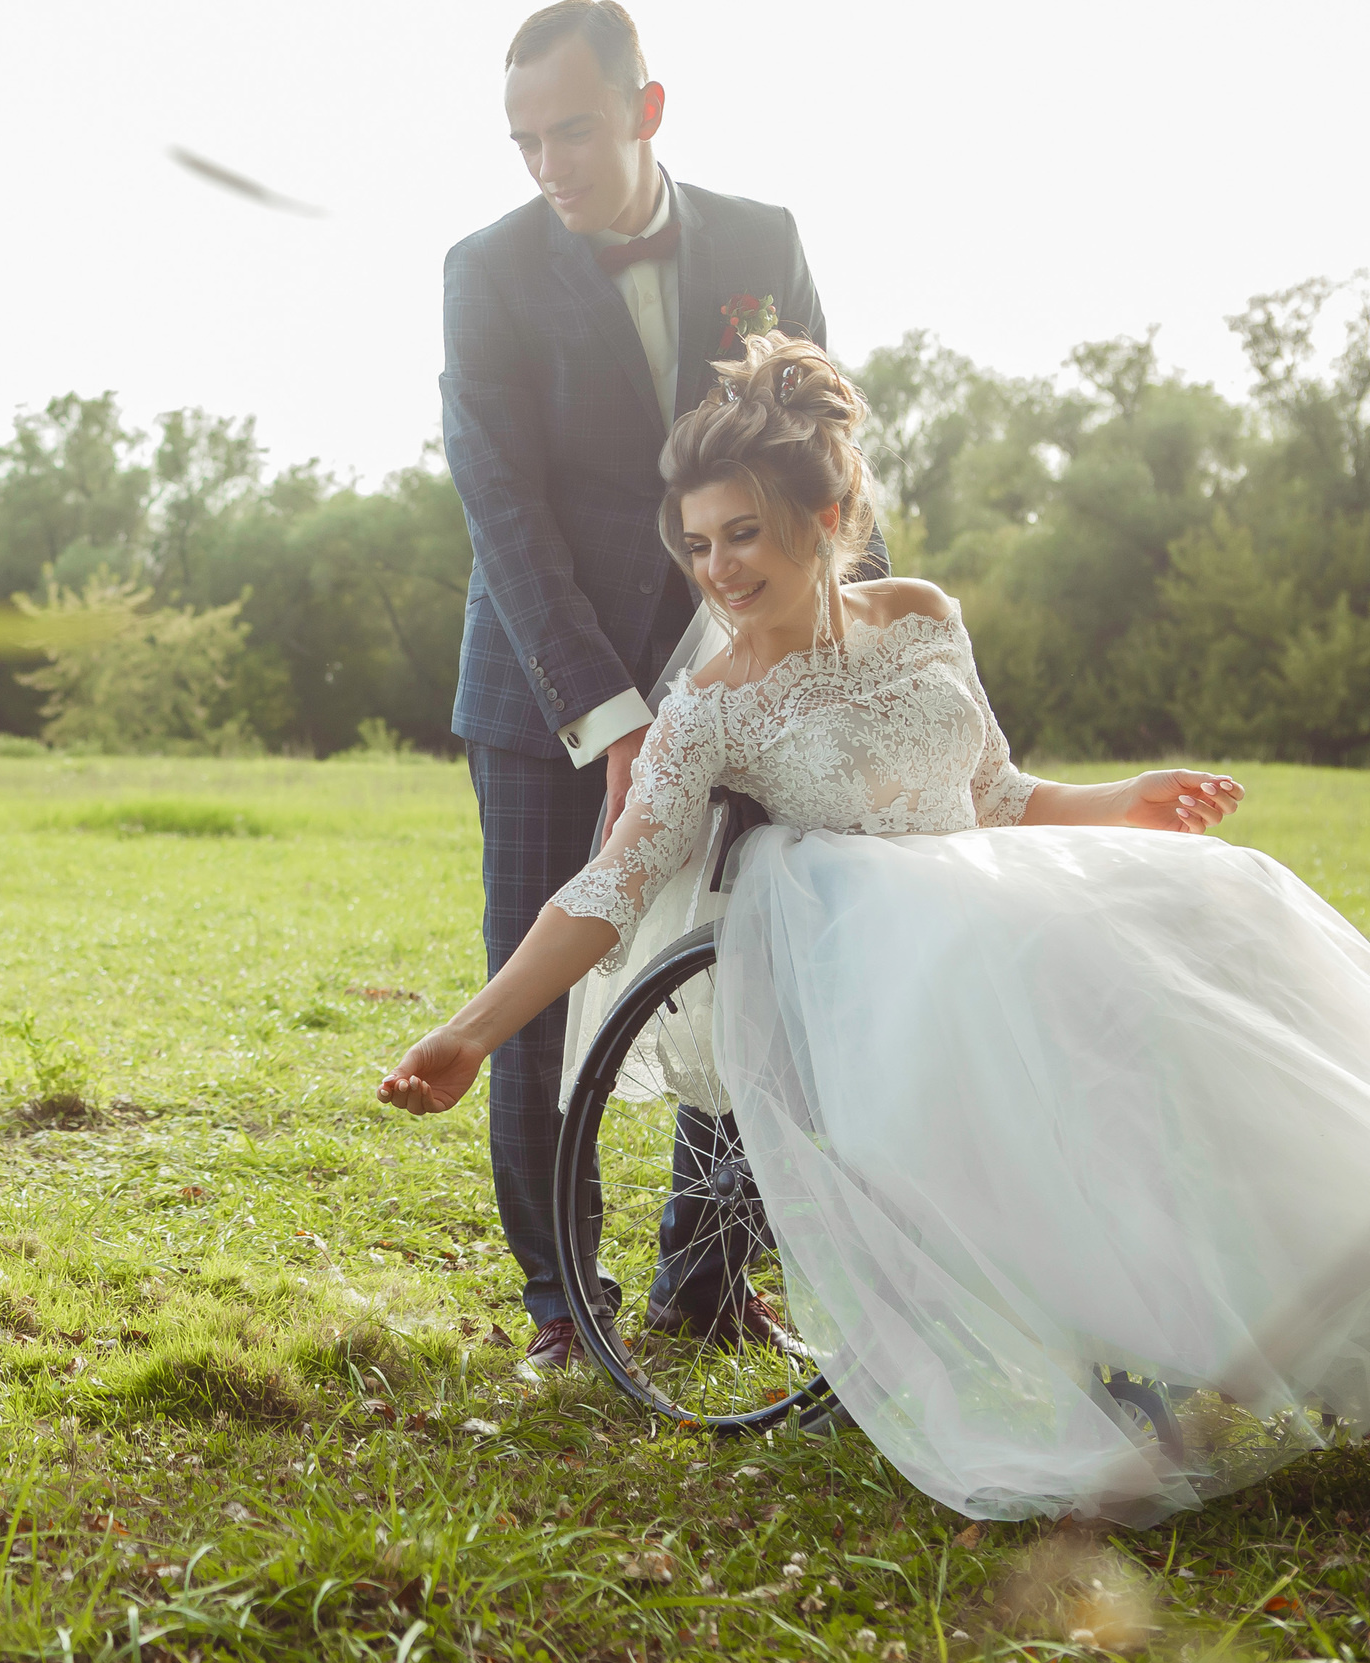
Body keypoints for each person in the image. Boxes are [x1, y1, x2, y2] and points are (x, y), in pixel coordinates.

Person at [382, 331, 1370, 1525]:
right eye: (697, 544)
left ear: (826, 515)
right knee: (1037, 977)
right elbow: (610, 888)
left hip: (997, 896)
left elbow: (997, 795)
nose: (717, 569)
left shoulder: (922, 615)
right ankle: (1136, 1336)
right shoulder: (706, 711)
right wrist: (470, 1033)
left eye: (742, 534)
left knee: (1221, 902)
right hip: (873, 955)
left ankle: (1290, 1295)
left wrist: (1128, 800)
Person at [443, 0, 880, 1372]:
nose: (548, 165)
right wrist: (611, 714)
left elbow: (822, 451)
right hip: (547, 689)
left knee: (746, 956)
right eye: (522, 141)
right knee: (539, 980)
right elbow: (500, 506)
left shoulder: (762, 240)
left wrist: (848, 647)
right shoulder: (485, 270)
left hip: (749, 662)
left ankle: (707, 1272)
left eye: (571, 130)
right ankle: (563, 1307)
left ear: (647, 109)